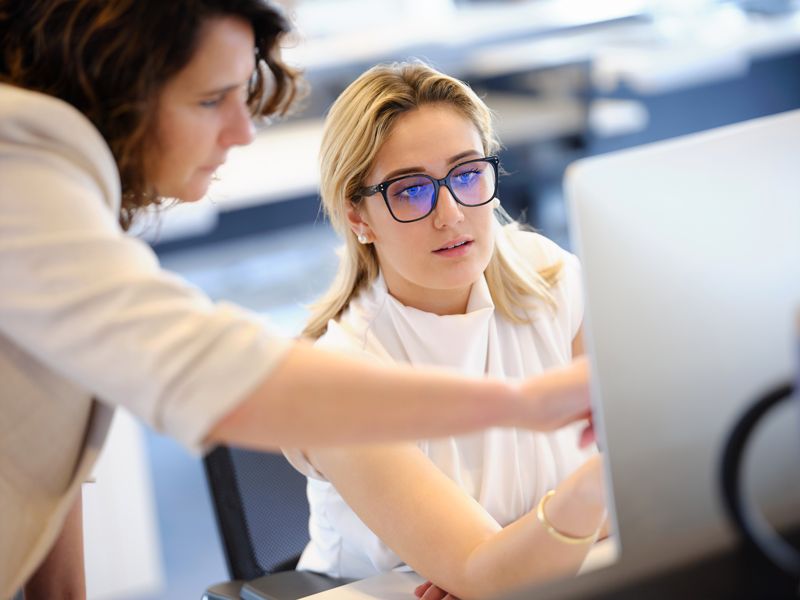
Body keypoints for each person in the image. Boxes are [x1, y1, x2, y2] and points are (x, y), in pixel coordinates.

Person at [0, 1, 593, 599]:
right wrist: (518, 407)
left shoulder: (553, 278)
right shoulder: (17, 164)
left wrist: (528, 540)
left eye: (467, 175)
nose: (243, 131)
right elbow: (211, 371)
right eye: (211, 98)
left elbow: (43, 432)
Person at [282, 61, 608, 600]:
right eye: (410, 191)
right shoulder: (337, 378)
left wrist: (515, 559)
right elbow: (490, 576)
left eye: (466, 174)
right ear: (359, 217)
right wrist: (590, 498)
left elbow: (647, 488)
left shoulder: (551, 280)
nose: (452, 213)